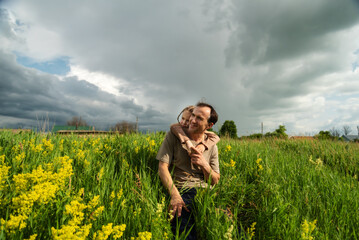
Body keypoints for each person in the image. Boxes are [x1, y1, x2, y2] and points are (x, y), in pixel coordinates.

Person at [157, 102, 220, 239]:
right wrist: (175, 195)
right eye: (193, 115)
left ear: (209, 126)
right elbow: (162, 167)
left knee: (228, 227)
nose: (192, 120)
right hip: (183, 190)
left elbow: (215, 180)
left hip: (206, 192)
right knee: (184, 231)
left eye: (199, 118)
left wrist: (204, 165)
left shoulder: (212, 145)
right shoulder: (173, 136)